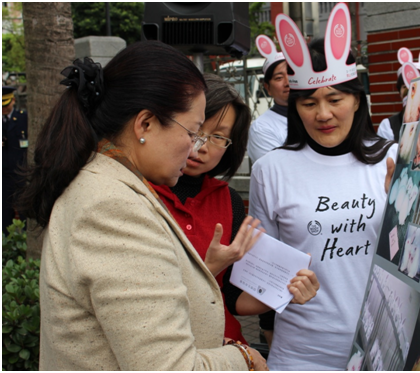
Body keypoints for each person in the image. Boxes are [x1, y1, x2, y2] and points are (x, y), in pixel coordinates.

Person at [16, 42, 268, 370]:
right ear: (145, 124)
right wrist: (244, 357)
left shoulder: (106, 184)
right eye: (192, 131)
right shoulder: (113, 208)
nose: (196, 147)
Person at [249, 4, 397, 369]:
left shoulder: (391, 160)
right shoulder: (270, 170)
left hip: (389, 345)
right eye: (309, 102)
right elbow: (261, 273)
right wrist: (282, 286)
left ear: (357, 99)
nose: (323, 114)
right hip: (303, 354)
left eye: (335, 99)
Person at [150, 74, 319, 345]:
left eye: (218, 137)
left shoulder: (227, 200)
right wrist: (207, 268)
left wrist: (285, 289)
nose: (201, 146)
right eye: (196, 129)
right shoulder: (137, 192)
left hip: (224, 347)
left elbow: (232, 296)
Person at [247, 36, 289, 163]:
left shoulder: (319, 115)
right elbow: (279, 172)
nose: (288, 83)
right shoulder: (262, 128)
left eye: (292, 75)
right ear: (268, 88)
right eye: (279, 78)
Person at [2, 86, 28, 234]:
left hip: (20, 172)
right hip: (3, 175)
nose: (4, 109)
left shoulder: (23, 118)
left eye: (6, 105)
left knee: (24, 210)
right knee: (4, 213)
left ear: (13, 100)